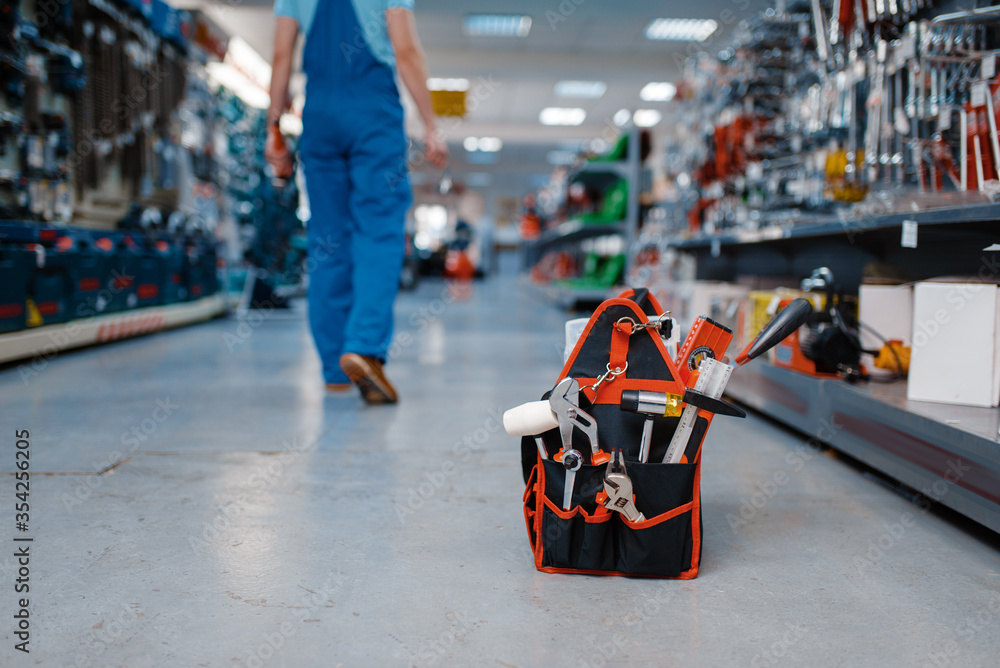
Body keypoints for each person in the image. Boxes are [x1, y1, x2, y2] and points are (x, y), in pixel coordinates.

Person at [266, 0, 448, 404]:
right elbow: (405, 51)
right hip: (372, 112)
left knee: (327, 238)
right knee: (378, 233)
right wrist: (431, 125)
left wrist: (273, 129)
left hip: (320, 117)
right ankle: (363, 347)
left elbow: (281, 57)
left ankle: (334, 368)